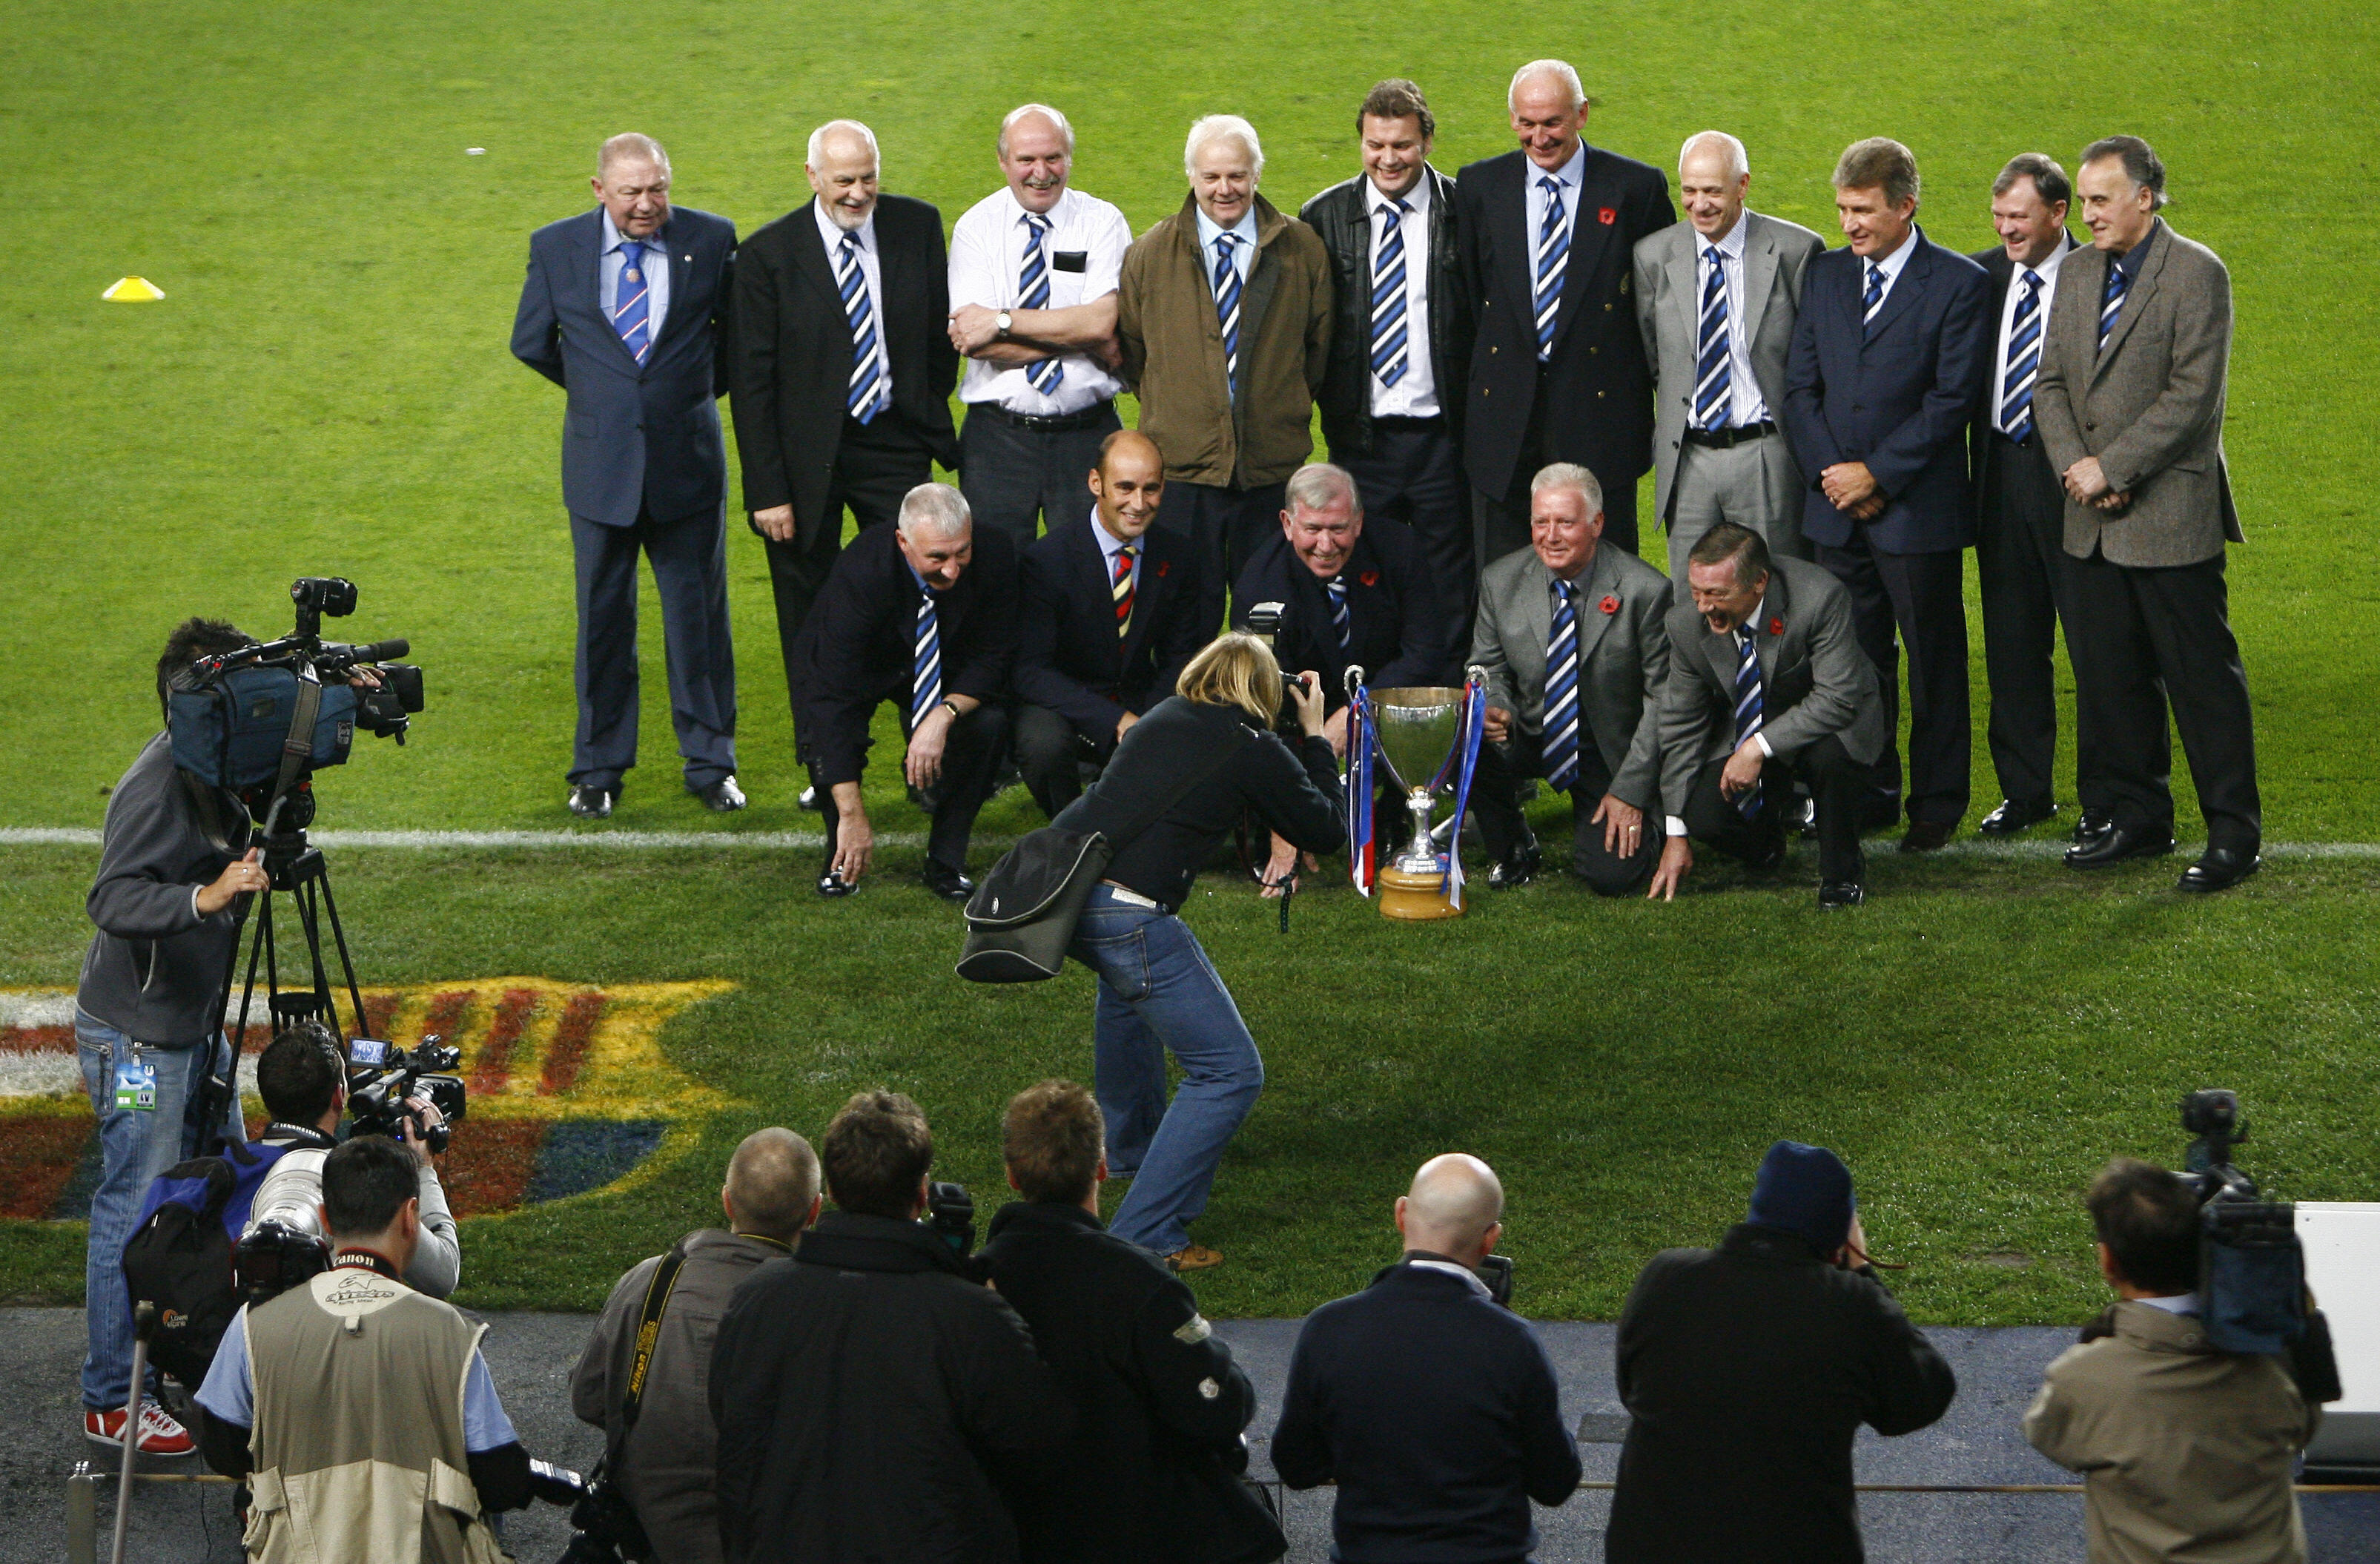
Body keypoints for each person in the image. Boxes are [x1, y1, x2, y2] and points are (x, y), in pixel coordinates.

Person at [1054, 633, 1346, 1270]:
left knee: (1127, 996)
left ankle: (1130, 1150)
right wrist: (1317, 735)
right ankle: (1147, 1233)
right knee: (1230, 1069)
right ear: (1264, 691)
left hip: (1073, 905)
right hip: (1129, 915)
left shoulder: (1165, 716)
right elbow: (1327, 826)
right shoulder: (1251, 744)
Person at [2034, 137, 2261, 892]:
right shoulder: (2075, 271)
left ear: (2147, 197)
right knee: (2111, 679)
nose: (2088, 213)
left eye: (2101, 199)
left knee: (2201, 681)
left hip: (2168, 517)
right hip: (2091, 517)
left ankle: (2234, 833)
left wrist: (2114, 468)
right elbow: (2050, 385)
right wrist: (2081, 470)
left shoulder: (2197, 273)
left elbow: (2193, 398)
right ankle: (2139, 818)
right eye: (2087, 200)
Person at [710, 1091, 1072, 1564]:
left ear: (832, 1194)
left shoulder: (757, 1298)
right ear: (923, 1193)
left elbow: (733, 1429)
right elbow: (1041, 1450)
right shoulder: (972, 1316)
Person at [76, 617, 267, 1457]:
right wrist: (203, 898)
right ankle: (112, 1400)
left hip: (187, 1027)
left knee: (224, 1175)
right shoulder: (153, 786)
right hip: (136, 1044)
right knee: (136, 1199)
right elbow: (111, 898)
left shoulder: (223, 764)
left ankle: (203, 1355)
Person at [511, 132, 744, 820]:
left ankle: (711, 764)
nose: (647, 205)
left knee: (698, 622)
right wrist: (600, 393)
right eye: (631, 193)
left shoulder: (713, 238)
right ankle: (598, 770)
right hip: (600, 467)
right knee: (602, 625)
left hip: (688, 466)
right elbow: (532, 340)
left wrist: (679, 396)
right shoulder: (556, 247)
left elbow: (734, 343)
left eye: (658, 189)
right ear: (598, 190)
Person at [977, 1080, 1285, 1564]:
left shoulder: (974, 1285)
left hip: (1022, 1533)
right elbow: (1218, 1405)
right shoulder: (1140, 1282)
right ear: (1101, 1166)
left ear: (1013, 1174)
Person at [1785, 136, 1992, 853]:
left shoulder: (1961, 284)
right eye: (1842, 209)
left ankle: (1936, 803)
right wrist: (1833, 476)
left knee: (1933, 658)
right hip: (1836, 513)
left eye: (1864, 210)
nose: (1849, 225)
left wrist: (1876, 474)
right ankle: (1868, 791)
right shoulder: (1827, 276)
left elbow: (1951, 400)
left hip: (1917, 513)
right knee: (1852, 663)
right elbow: (1799, 389)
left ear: (1907, 205)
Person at [1606, 1141, 1955, 1563]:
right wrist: (1863, 1270)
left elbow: (1632, 1389)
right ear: (1837, 1234)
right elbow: (1921, 1399)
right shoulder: (1850, 1304)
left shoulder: (1665, 1276)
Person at [730, 119, 961, 745]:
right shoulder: (766, 256)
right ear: (812, 177)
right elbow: (750, 386)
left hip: (894, 442)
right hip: (804, 462)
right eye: (843, 181)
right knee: (807, 614)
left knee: (918, 596)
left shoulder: (916, 226)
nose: (858, 193)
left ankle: (926, 748)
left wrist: (921, 408)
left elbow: (940, 338)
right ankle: (825, 756)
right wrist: (767, 490)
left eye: (868, 178)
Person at [194, 1135, 533, 1560]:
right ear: (411, 1216)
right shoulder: (450, 1332)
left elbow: (222, 1446)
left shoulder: (254, 1325)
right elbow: (502, 1478)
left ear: (325, 1220)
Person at [1271, 1154, 1581, 1563]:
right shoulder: (1511, 1341)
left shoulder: (1329, 1328)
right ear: (1490, 1238)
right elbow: (1555, 1482)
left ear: (1401, 1214)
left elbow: (1296, 1467)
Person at [2023, 1158, 2321, 1564]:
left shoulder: (2080, 1379)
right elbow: (2307, 1424)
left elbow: (2048, 1435)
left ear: (2108, 1262)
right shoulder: (2272, 1360)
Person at [1118, 114, 1333, 631]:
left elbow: (1320, 350)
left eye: (1237, 175)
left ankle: (1263, 714)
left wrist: (1279, 407)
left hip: (1270, 475)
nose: (1224, 189)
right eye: (1211, 176)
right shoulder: (1149, 255)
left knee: (1268, 623)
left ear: (1257, 174)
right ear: (1191, 176)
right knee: (1185, 625)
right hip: (1185, 477)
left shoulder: (1302, 250)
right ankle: (1186, 714)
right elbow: (1134, 353)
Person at [1457, 59, 1676, 564]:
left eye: (1552, 122)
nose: (1539, 138)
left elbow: (1658, 306)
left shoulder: (1636, 188)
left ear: (1581, 115)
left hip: (1600, 421)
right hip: (1504, 424)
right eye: (1526, 124)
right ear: (1512, 120)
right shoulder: (1480, 187)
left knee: (1607, 572)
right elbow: (1474, 295)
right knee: (1505, 575)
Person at [571, 1128, 822, 1564]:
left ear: (727, 1200)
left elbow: (589, 1397)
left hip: (652, 1539)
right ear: (814, 1212)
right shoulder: (823, 1308)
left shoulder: (650, 1283)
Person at [790, 482, 1017, 902]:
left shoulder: (998, 554)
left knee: (989, 724)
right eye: (938, 557)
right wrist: (852, 812)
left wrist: (941, 716)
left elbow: (994, 657)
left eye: (961, 552)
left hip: (948, 660)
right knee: (828, 735)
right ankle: (840, 852)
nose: (952, 569)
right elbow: (829, 701)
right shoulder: (860, 574)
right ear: (903, 542)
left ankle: (947, 858)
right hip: (866, 662)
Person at [1300, 79, 1478, 614]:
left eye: (1401, 145)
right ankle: (1367, 691)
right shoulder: (1323, 218)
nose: (1388, 158)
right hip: (1362, 440)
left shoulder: (1465, 211)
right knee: (1362, 575)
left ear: (1427, 142)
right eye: (1375, 145)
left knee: (1449, 581)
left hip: (1444, 441)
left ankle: (1446, 692)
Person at [1650, 524, 1889, 908]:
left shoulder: (1819, 597)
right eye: (1696, 592)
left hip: (1830, 717)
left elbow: (1837, 697)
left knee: (1830, 761)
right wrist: (1676, 831)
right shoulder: (1684, 624)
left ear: (1759, 582)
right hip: (1748, 722)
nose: (1703, 607)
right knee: (1704, 814)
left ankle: (1842, 875)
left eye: (1716, 594)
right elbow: (1681, 725)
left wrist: (1757, 748)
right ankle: (1764, 847)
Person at [1470, 463, 1673, 894]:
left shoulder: (1645, 591)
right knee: (1462, 729)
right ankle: (1512, 845)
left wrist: (1633, 793)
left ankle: (1652, 828)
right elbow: (1487, 665)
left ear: (1597, 523)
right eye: (1541, 522)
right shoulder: (1499, 580)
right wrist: (1496, 704)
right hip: (1529, 730)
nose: (1551, 536)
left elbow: (1664, 701)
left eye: (1565, 522)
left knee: (1612, 877)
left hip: (1605, 747)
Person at [1635, 131, 1826, 579]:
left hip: (1767, 454)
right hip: (1690, 458)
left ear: (1743, 185)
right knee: (1692, 594)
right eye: (1690, 190)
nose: (1699, 204)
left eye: (1713, 191)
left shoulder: (1796, 251)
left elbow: (1816, 363)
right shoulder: (1653, 256)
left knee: (1777, 585)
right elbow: (1652, 359)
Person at [948, 105, 1134, 552]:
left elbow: (1104, 322)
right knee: (996, 580)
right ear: (1003, 161)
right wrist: (1079, 336)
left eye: (1053, 158)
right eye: (1026, 160)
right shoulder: (975, 229)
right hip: (997, 442)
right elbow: (976, 343)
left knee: (1090, 576)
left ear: (1069, 157)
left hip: (1087, 436)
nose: (1041, 173)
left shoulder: (1103, 222)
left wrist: (1002, 321)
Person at [1970, 154, 2086, 840]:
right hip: (1999, 480)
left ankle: (2106, 796)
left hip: (2074, 482)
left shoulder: (2095, 276)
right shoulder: (1983, 278)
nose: (2007, 229)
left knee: (2096, 647)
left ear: (2058, 213)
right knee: (2013, 646)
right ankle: (2025, 790)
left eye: (2020, 217)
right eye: (2000, 216)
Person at [1013, 429, 1208, 819]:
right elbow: (1031, 671)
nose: (1139, 504)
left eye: (1151, 489)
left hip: (1141, 696)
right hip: (1068, 701)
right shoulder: (1047, 560)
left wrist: (1150, 721)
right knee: (1042, 743)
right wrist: (1115, 721)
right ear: (1095, 483)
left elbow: (1181, 655)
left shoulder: (1178, 555)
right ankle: (1071, 829)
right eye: (1125, 488)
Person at [1232, 461, 1453, 742]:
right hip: (1300, 716)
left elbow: (1425, 652)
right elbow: (1265, 688)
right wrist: (1316, 734)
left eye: (1338, 529)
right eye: (1312, 529)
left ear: (1358, 522)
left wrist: (1359, 712)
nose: (1325, 546)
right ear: (1287, 524)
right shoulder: (1259, 587)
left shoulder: (1400, 550)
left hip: (1392, 699)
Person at [245, 1020, 461, 1297]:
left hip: (238, 1329)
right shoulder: (352, 1183)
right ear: (339, 1095)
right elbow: (442, 1274)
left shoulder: (217, 1164)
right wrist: (423, 1167)